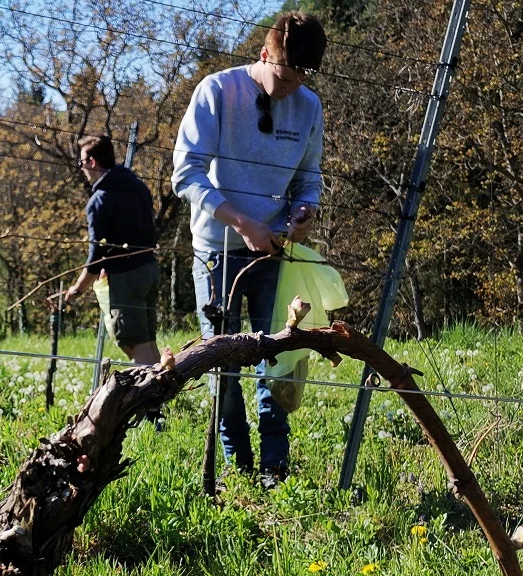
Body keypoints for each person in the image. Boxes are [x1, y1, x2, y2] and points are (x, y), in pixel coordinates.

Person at [171, 11, 326, 487]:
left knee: (277, 357)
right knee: (224, 360)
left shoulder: (309, 106)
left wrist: (305, 211)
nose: (293, 85)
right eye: (287, 73)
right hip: (218, 253)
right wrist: (241, 223)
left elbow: (309, 179)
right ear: (264, 55)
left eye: (305, 75)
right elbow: (186, 173)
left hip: (275, 254)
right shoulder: (217, 92)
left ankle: (274, 468)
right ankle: (236, 464)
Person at [61, 135, 161, 366]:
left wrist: (78, 288)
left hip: (126, 278)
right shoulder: (138, 186)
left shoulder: (99, 200)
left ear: (92, 162)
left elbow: (97, 255)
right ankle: (158, 397)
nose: (82, 168)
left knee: (135, 345)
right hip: (149, 269)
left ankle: (148, 401)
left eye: (82, 162)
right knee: (148, 343)